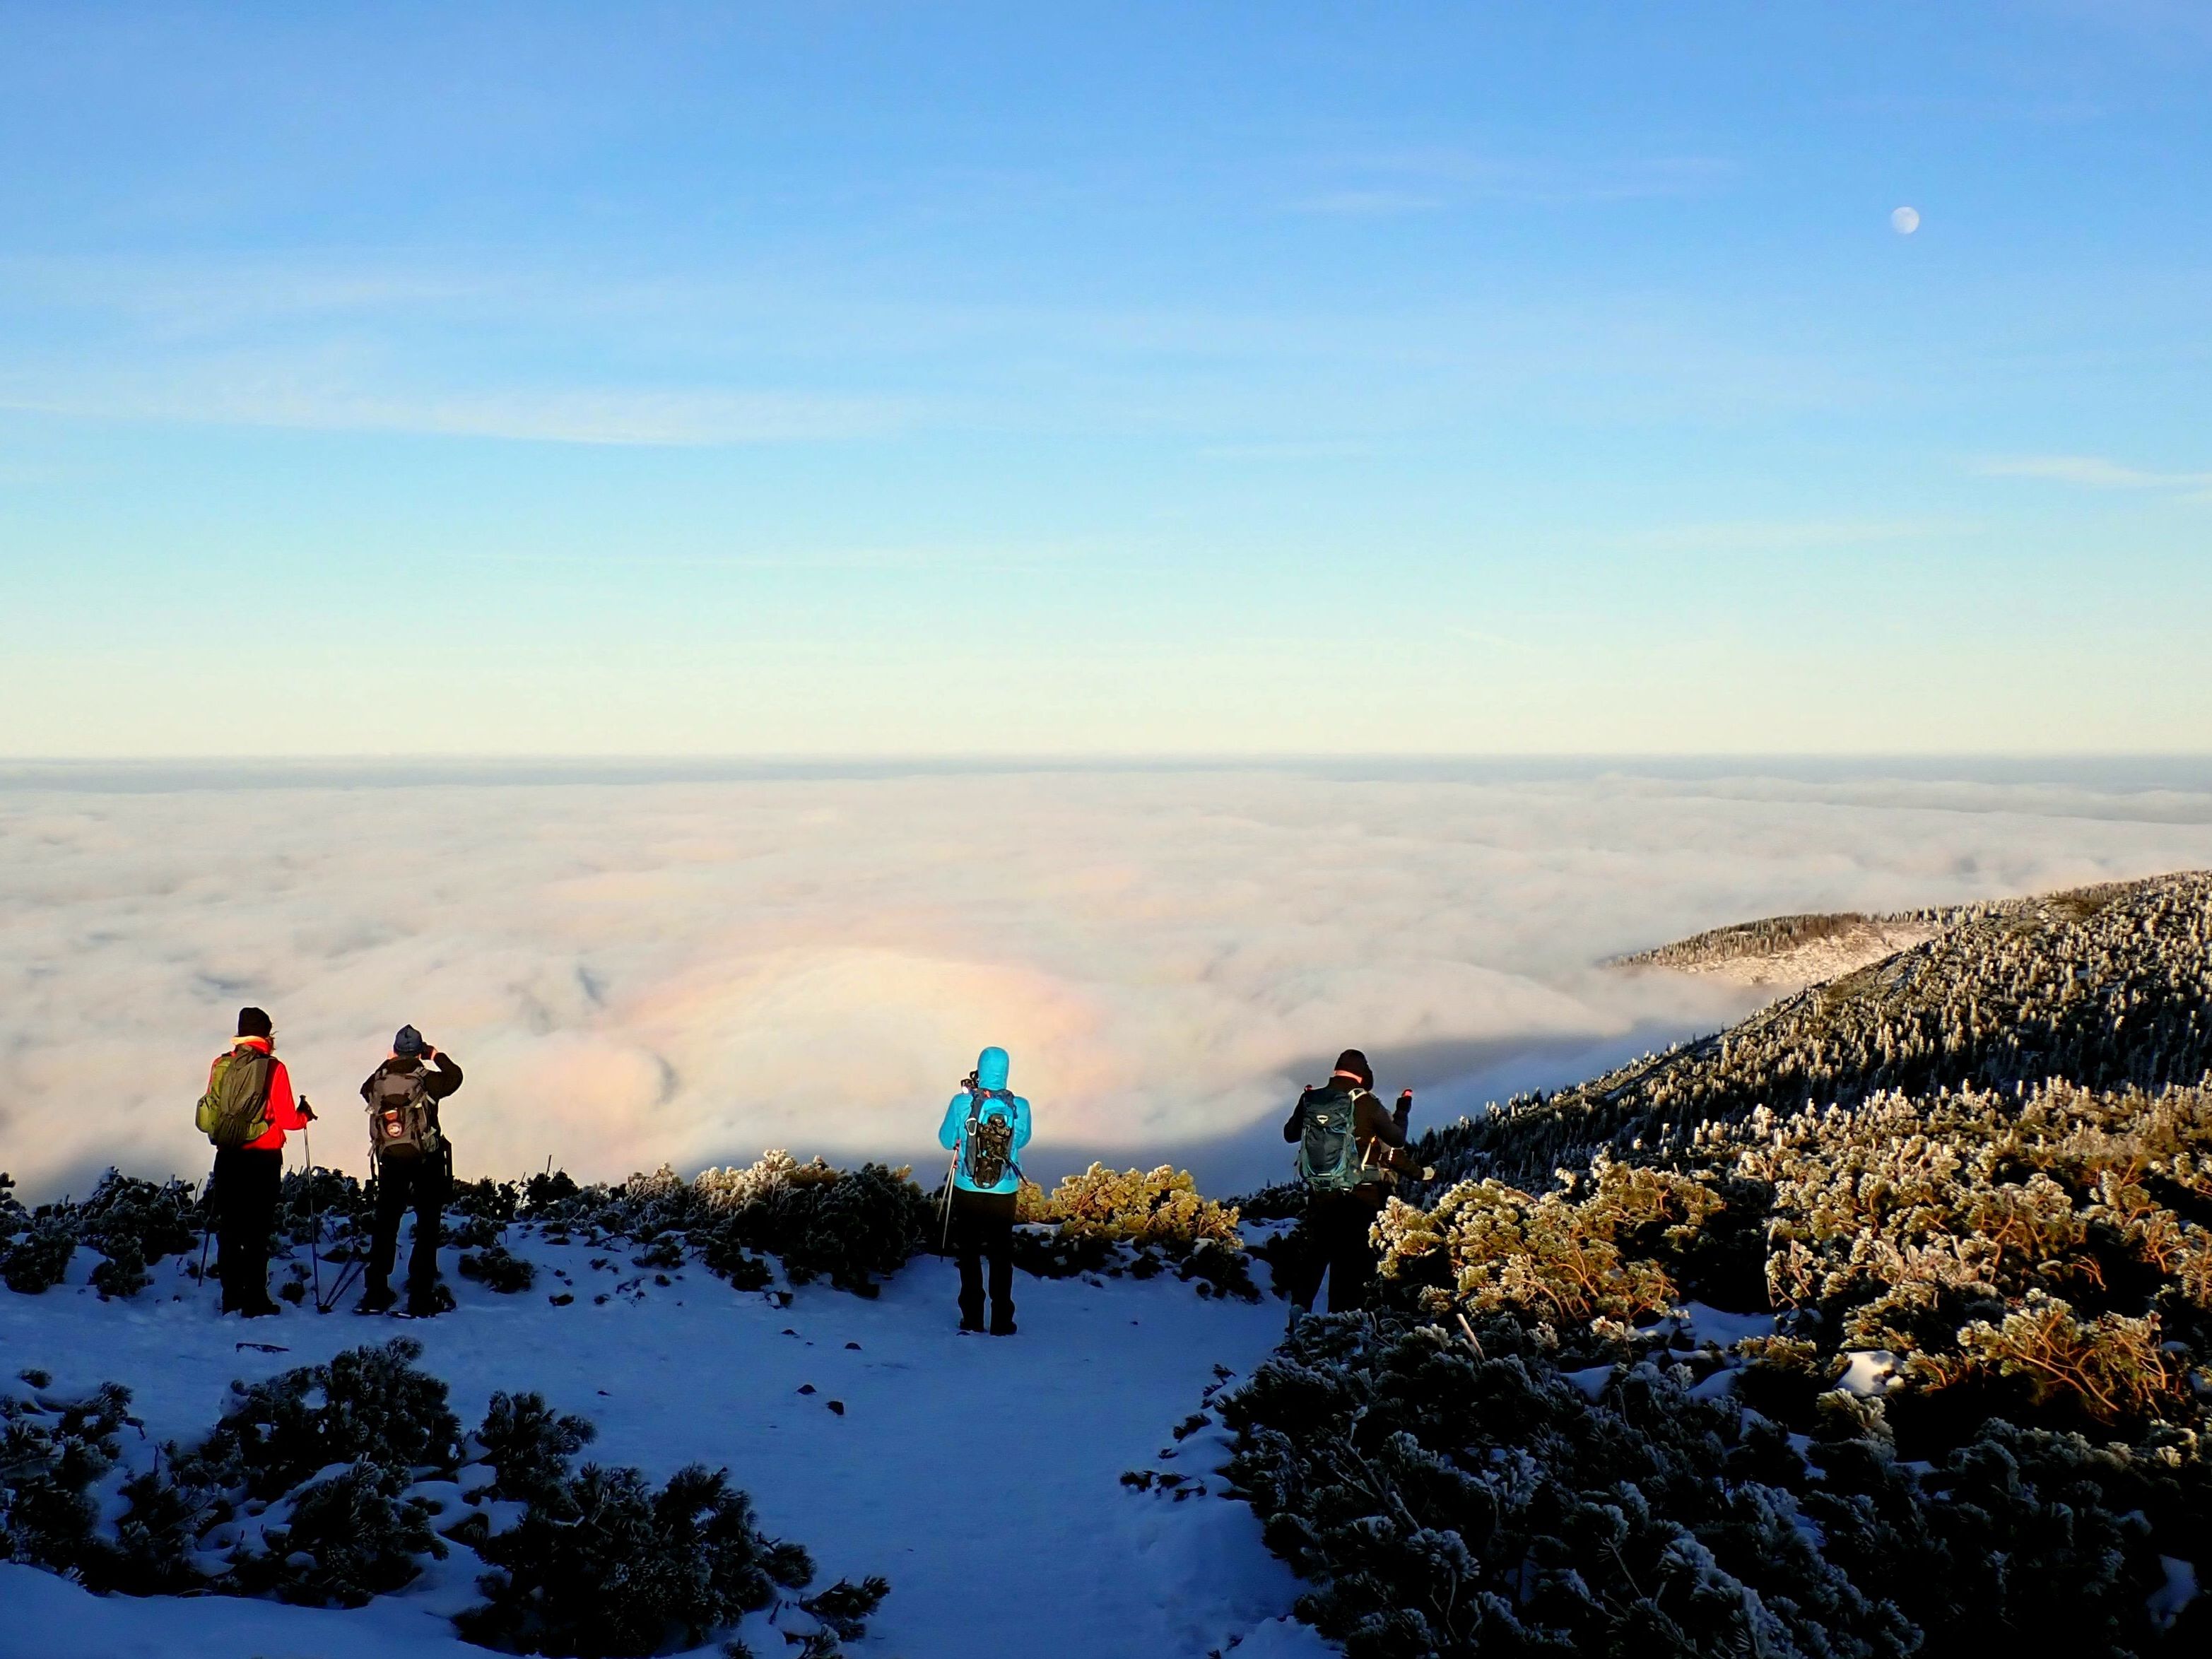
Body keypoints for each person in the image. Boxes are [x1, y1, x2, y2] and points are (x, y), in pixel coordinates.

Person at [1280, 1048, 1432, 1316]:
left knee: (1316, 1252)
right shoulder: (1366, 1103)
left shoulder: (1310, 1099)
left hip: (1321, 1190)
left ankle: (1299, 1308)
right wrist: (1402, 1110)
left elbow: (1290, 1135)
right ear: (1363, 1076)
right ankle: (1339, 1325)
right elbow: (1396, 1140)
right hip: (1360, 1195)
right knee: (1348, 1262)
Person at [195, 1006, 314, 1317]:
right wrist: (305, 1117)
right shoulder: (274, 1068)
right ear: (267, 1035)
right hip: (263, 1158)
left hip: (229, 1154)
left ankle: (231, 1296)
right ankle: (255, 1299)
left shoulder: (222, 1064)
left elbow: (213, 1105)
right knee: (257, 1232)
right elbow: (288, 1118)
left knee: (231, 1229)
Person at [358, 1025, 465, 1316]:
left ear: (394, 1050)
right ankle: (420, 1296)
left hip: (391, 1159)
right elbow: (456, 1078)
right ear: (419, 1051)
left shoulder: (378, 1081)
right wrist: (435, 1055)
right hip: (425, 1160)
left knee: (386, 1223)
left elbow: (363, 1089)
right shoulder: (427, 1079)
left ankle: (376, 1292)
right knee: (427, 1224)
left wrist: (389, 1062)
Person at [937, 1045, 1032, 1335]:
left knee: (969, 1253)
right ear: (1005, 1071)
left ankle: (973, 1319)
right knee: (1001, 1255)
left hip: (967, 1187)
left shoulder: (961, 1103)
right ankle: (1002, 1320)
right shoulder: (1021, 1106)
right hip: (1004, 1191)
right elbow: (1023, 1140)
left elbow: (944, 1140)